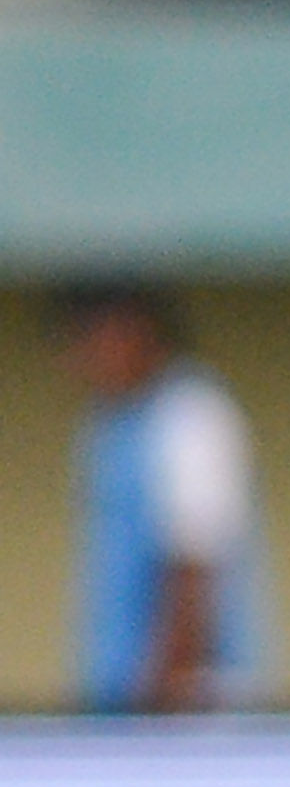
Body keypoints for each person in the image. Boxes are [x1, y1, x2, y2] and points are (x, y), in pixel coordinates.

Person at [51, 282, 270, 714]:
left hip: (185, 709)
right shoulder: (106, 425)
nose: (81, 359)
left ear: (138, 331)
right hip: (119, 698)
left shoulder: (191, 416)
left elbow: (195, 563)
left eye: (92, 339)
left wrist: (165, 691)